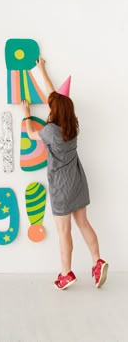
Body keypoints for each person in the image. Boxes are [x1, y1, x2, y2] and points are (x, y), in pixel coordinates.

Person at [21, 56, 108, 290]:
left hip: (61, 186)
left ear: (54, 111)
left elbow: (30, 134)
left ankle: (66, 273)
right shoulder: (73, 127)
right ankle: (97, 260)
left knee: (63, 231)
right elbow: (56, 99)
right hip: (78, 181)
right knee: (83, 223)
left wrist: (27, 114)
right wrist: (42, 71)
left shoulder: (49, 131)